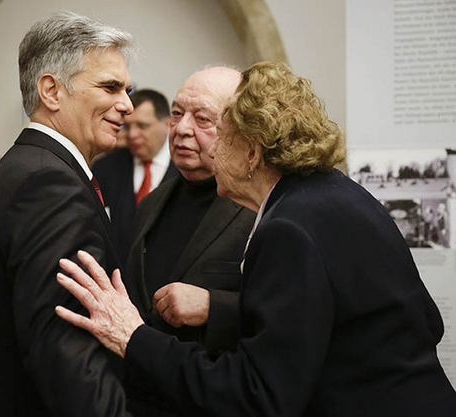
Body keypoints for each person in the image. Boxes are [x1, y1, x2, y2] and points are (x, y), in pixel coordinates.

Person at [56, 61, 456, 417]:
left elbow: (256, 395)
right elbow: (426, 321)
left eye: (222, 135)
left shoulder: (287, 229)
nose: (207, 148)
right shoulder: (339, 194)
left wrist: (134, 338)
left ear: (251, 152)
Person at [0, 12, 135, 417]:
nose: (127, 105)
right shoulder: (48, 186)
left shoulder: (29, 167)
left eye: (127, 89)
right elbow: (66, 357)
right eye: (110, 87)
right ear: (51, 91)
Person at [121, 67, 256, 415]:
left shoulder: (260, 207)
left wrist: (215, 307)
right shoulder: (152, 203)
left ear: (240, 128)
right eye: (178, 114)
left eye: (202, 119)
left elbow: (294, 318)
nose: (181, 128)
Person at [93, 89, 178, 264]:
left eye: (142, 126)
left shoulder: (185, 168)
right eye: (128, 126)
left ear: (168, 124)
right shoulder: (105, 168)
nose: (132, 135)